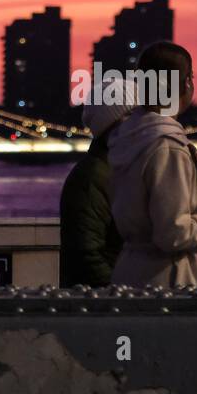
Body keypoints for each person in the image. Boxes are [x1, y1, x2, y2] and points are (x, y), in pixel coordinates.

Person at [108, 41, 197, 287]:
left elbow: (148, 209)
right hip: (168, 282)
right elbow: (173, 235)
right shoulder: (167, 146)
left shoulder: (128, 137)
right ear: (186, 84)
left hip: (130, 274)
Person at [58, 98, 132, 286]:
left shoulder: (118, 170)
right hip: (106, 304)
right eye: (133, 115)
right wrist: (120, 296)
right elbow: (86, 255)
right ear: (115, 125)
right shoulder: (92, 177)